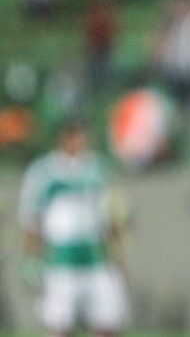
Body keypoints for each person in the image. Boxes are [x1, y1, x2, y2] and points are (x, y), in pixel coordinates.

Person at [18, 119, 129, 337]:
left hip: (96, 257)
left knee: (108, 321)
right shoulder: (44, 172)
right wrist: (31, 256)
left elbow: (111, 215)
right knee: (60, 324)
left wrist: (119, 255)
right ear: (64, 138)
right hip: (61, 260)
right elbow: (31, 218)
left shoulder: (97, 168)